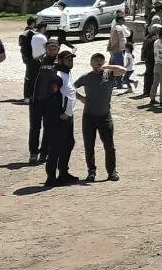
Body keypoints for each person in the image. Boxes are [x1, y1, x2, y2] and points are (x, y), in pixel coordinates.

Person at [74, 52, 126, 181]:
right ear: (91, 62)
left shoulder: (109, 74)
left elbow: (123, 70)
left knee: (109, 146)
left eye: (101, 61)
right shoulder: (86, 77)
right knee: (89, 146)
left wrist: (108, 67)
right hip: (89, 116)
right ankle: (91, 172)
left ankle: (112, 172)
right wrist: (81, 98)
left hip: (105, 116)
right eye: (96, 60)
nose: (98, 63)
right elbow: (70, 88)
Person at [43, 47, 79, 187]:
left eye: (71, 59)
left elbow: (70, 93)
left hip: (67, 116)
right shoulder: (57, 75)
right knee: (56, 147)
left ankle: (63, 173)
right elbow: (52, 97)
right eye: (67, 59)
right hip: (60, 117)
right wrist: (62, 113)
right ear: (60, 60)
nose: (70, 61)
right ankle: (51, 177)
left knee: (68, 143)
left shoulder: (66, 73)